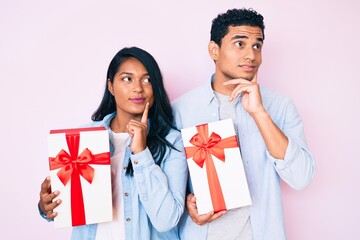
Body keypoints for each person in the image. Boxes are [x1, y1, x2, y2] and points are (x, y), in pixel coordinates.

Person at [172, 8, 315, 240]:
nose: (251, 55)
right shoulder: (181, 110)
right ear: (214, 50)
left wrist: (259, 113)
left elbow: (301, 178)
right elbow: (173, 187)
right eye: (240, 44)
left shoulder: (280, 106)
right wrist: (188, 204)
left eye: (257, 46)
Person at [38, 47, 188, 240]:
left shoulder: (172, 142)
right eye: (127, 79)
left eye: (147, 80)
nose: (138, 88)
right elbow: (70, 205)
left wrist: (141, 152)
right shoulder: (81, 139)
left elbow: (166, 220)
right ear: (111, 86)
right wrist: (46, 207)